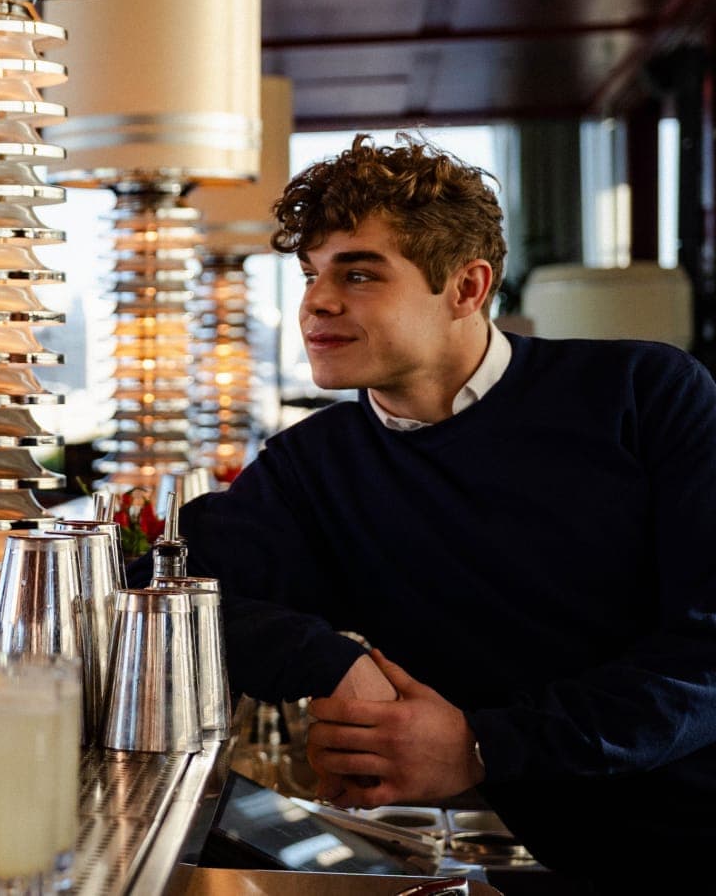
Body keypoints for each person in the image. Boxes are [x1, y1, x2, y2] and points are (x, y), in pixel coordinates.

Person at [179, 134, 716, 876]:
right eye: (310, 273)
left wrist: (478, 744)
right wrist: (331, 662)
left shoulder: (645, 394)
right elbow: (182, 596)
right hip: (513, 850)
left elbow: (705, 655)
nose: (316, 302)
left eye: (360, 273)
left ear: (467, 287)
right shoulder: (311, 464)